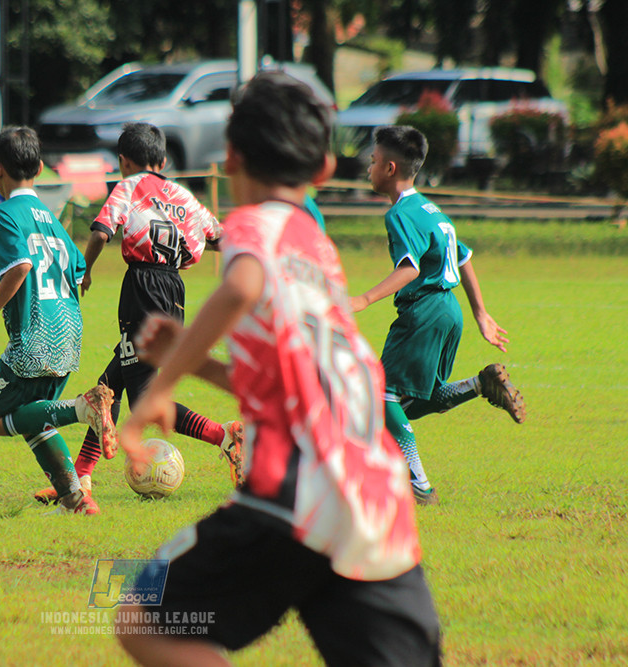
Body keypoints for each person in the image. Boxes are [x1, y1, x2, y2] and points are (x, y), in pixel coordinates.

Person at [115, 73, 441, 666]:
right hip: (376, 500)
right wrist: (196, 360)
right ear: (322, 167)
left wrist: (159, 389)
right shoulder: (319, 252)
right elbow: (290, 386)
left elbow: (240, 284)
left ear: (231, 156)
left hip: (296, 490)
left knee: (141, 616)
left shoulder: (252, 225)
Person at [33, 122, 244, 511]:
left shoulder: (128, 187)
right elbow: (220, 237)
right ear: (162, 160)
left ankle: (224, 435)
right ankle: (80, 481)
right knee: (107, 388)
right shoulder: (183, 195)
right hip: (173, 291)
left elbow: (100, 232)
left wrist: (85, 269)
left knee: (143, 396)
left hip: (142, 289)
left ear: (123, 161)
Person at [350, 125, 526, 505]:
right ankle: (481, 384)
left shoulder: (399, 215)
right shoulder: (432, 210)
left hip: (423, 311)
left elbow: (410, 267)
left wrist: (364, 299)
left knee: (380, 396)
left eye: (374, 160)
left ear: (391, 168)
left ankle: (418, 484)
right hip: (450, 312)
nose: (369, 165)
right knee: (420, 398)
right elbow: (463, 257)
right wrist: (479, 312)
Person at [0, 126, 116, 515]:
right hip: (69, 330)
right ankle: (76, 501)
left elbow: (20, 267)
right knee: (36, 417)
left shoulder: (2, 213)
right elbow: (81, 270)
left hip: (35, 336)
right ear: (39, 167)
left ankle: (83, 409)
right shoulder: (49, 217)